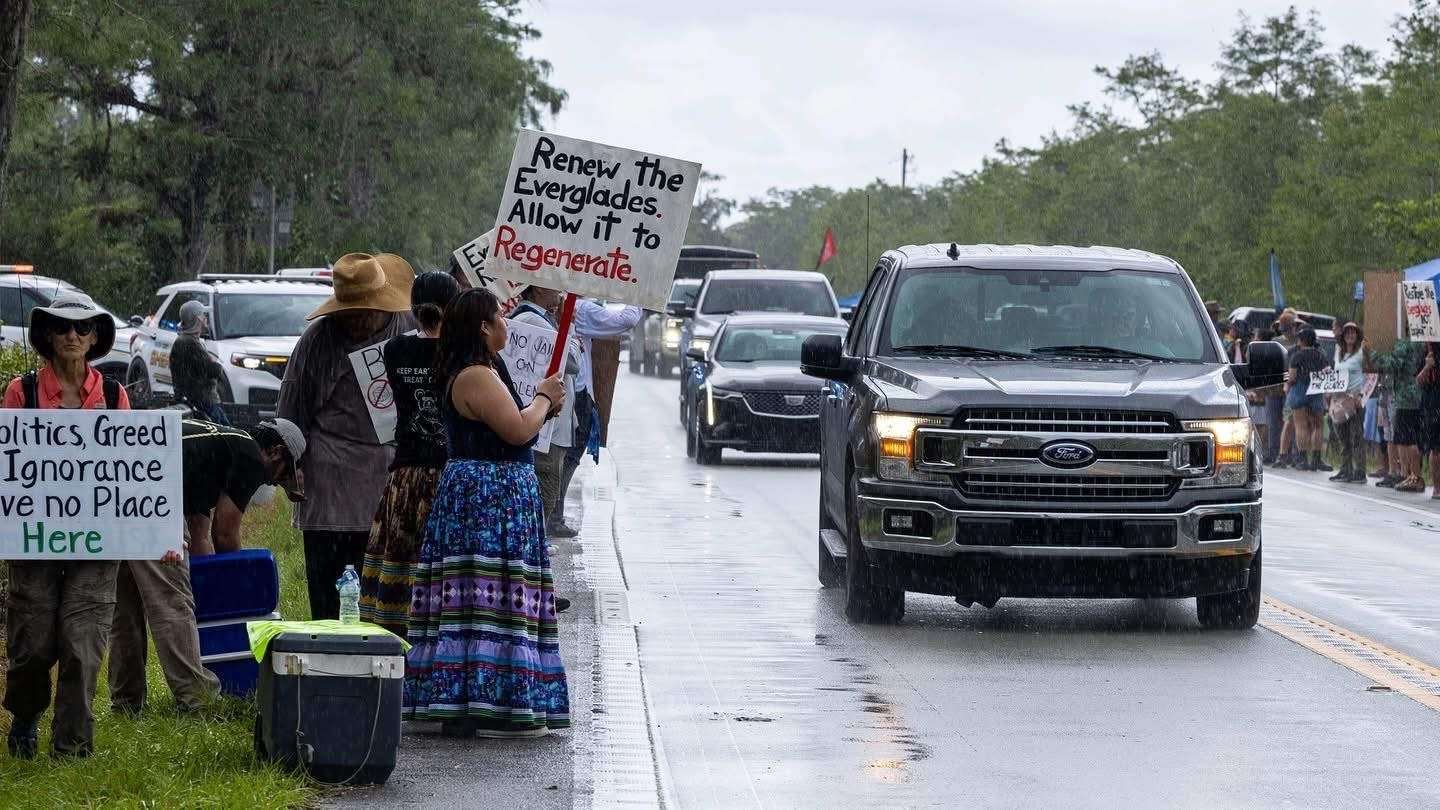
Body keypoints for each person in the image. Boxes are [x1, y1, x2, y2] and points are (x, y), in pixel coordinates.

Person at [404, 287, 570, 738]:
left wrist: (543, 403)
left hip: (492, 494)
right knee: (484, 594)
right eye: (499, 316)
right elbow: (517, 430)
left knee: (484, 596)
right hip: (486, 497)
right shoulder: (475, 374)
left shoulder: (486, 367)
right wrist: (541, 399)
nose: (506, 323)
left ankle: (476, 696)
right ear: (483, 327)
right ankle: (481, 698)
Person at [1, 292, 146, 759]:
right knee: (31, 645)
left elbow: (130, 472)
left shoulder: (112, 395)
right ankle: (25, 717)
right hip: (33, 543)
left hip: (97, 544)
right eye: (62, 327)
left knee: (83, 648)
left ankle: (73, 749)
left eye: (82, 328)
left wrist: (157, 530)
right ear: (45, 334)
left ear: (95, 337)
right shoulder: (19, 393)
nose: (72, 335)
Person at [108, 418, 304, 717]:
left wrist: (209, 591)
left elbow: (200, 532)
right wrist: (238, 595)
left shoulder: (215, 448)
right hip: (151, 495)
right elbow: (225, 534)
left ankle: (127, 702)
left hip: (116, 489)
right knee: (172, 602)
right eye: (278, 477)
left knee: (127, 607)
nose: (272, 483)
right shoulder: (250, 456)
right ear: (276, 452)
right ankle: (199, 700)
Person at [278, 252, 417, 620]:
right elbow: (290, 414)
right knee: (328, 600)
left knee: (383, 598)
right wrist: (290, 469)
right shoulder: (317, 342)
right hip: (329, 484)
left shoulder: (408, 329)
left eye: (366, 312)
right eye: (350, 313)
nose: (357, 321)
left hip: (389, 479)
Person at [358, 271, 460, 638]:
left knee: (401, 559)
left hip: (405, 476)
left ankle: (395, 638)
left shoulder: (395, 349)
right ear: (454, 307)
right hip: (449, 474)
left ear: (413, 309)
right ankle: (438, 638)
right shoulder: (459, 354)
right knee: (442, 563)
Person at [507, 285, 581, 538]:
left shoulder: (542, 319)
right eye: (555, 286)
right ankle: (532, 548)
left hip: (548, 423)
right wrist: (566, 327)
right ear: (538, 288)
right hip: (543, 428)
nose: (560, 293)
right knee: (544, 489)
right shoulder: (531, 319)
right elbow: (570, 363)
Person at [557, 298, 643, 511]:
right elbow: (627, 319)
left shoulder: (572, 307)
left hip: (567, 389)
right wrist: (639, 294)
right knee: (569, 452)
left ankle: (554, 509)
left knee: (563, 453)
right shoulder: (579, 308)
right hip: (574, 392)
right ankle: (554, 510)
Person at [1376, 338, 1425, 492]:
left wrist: (1372, 354)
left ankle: (1413, 476)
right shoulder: (1421, 343)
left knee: (1408, 439)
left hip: (1406, 396)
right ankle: (1408, 475)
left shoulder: (1406, 343)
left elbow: (1393, 364)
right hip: (1412, 394)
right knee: (1402, 439)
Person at [169, 300, 229, 424]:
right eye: (203, 315)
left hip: (199, 401)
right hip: (204, 403)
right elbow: (211, 370)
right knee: (230, 439)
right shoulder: (189, 343)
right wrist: (217, 365)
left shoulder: (186, 340)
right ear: (197, 319)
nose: (206, 317)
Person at [1284, 327, 1331, 472]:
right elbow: (1327, 371)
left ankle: (1303, 459)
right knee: (1318, 426)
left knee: (1301, 426)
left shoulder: (1297, 356)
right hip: (1315, 390)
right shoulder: (1320, 355)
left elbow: (1291, 377)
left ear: (1302, 340)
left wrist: (1288, 385)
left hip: (1299, 390)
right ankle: (1316, 459)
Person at [1328, 322, 1368, 483]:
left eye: (1353, 333)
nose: (1350, 336)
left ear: (1357, 335)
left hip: (1355, 399)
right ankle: (1346, 469)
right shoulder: (1338, 352)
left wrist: (1362, 396)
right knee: (1342, 436)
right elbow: (1335, 372)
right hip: (1339, 400)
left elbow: (1370, 374)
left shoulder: (1361, 352)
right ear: (1343, 336)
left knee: (1356, 436)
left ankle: (1360, 471)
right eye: (1348, 333)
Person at [1419, 343, 1440, 499]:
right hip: (1433, 402)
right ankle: (1437, 488)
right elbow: (1418, 380)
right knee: (1436, 448)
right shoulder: (1427, 351)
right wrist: (1427, 366)